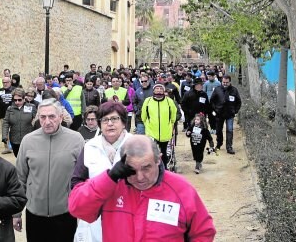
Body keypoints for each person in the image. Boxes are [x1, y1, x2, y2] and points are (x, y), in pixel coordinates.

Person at [68, 135, 216, 241]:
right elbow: (77, 209)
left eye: (146, 168)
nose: (140, 177)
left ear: (159, 160)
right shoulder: (111, 186)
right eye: (132, 169)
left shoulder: (180, 188)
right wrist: (109, 178)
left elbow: (203, 231)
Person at [16, 99, 84, 242]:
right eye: (43, 117)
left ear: (60, 117)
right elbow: (19, 178)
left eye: (52, 116)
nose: (47, 121)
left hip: (65, 213)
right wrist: (16, 213)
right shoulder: (28, 141)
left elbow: (83, 178)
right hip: (35, 214)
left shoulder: (76, 139)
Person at [70, 102, 133, 242]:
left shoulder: (136, 145)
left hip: (128, 214)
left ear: (123, 122)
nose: (109, 124)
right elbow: (76, 182)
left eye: (114, 119)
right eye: (105, 120)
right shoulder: (90, 147)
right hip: (96, 217)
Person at [141, 84, 178, 166]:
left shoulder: (169, 101)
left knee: (164, 152)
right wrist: (147, 125)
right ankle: (153, 168)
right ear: (153, 91)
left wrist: (171, 125)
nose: (158, 90)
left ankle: (164, 169)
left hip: (165, 132)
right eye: (156, 88)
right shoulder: (148, 101)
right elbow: (143, 116)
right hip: (151, 132)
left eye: (161, 88)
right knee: (152, 152)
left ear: (164, 91)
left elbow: (173, 116)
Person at [210, 75, 242, 154]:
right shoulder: (217, 89)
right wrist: (215, 109)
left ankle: (229, 147)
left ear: (230, 82)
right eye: (223, 82)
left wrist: (235, 111)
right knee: (218, 130)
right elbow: (212, 101)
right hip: (219, 114)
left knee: (230, 130)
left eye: (227, 82)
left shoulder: (234, 90)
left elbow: (239, 102)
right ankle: (219, 144)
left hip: (230, 114)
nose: (225, 84)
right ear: (221, 81)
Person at [2, 88, 37, 157]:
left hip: (28, 139)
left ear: (24, 98)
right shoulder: (10, 109)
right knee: (18, 157)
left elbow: (36, 122)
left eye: (19, 100)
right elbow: (6, 123)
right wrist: (4, 136)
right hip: (15, 140)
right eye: (15, 100)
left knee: (28, 158)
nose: (17, 102)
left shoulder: (32, 107)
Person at [0, 76, 14, 154]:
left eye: (6, 82)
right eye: (3, 82)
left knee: (13, 130)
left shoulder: (14, 90)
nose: (5, 84)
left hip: (13, 114)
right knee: (5, 131)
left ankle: (14, 145)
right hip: (3, 115)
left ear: (10, 82)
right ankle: (7, 147)